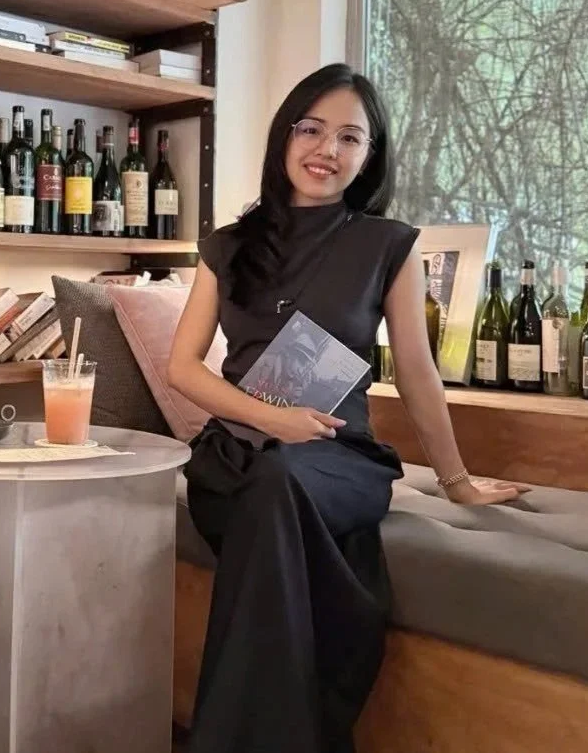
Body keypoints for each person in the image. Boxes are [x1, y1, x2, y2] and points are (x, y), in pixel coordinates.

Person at [167, 63, 526, 753]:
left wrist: (456, 482)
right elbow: (181, 367)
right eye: (311, 129)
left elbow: (417, 373)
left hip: (338, 457)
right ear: (285, 135)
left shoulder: (387, 245)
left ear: (369, 156)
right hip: (235, 456)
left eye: (349, 138)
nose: (327, 150)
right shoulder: (228, 246)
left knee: (282, 484)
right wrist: (271, 419)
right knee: (271, 482)